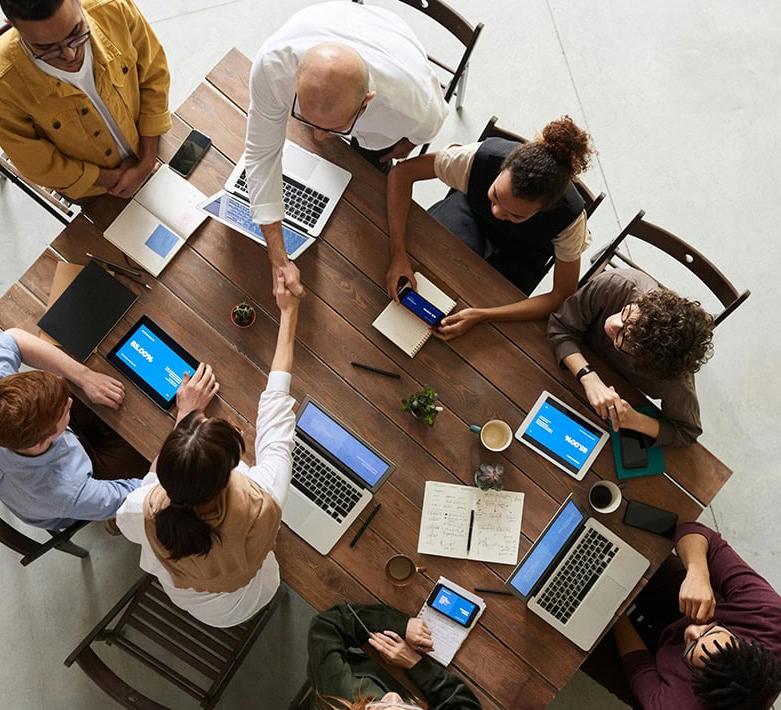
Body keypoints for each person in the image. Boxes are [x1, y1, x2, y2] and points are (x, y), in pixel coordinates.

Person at [117, 274, 300, 627]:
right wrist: (289, 313)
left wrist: (184, 415)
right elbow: (276, 409)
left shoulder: (142, 508)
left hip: (198, 605)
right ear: (228, 475)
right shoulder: (263, 497)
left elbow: (148, 488)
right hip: (250, 595)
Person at [245, 1, 448, 298]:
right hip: (335, 22)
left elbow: (424, 132)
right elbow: (261, 155)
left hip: (391, 46)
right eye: (306, 118)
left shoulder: (414, 108)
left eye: (333, 128)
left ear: (367, 101)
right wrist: (278, 255)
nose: (319, 137)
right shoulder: (271, 66)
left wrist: (401, 148)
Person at [386, 116, 594, 339]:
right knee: (427, 264)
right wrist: (398, 253)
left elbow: (562, 294)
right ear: (502, 168)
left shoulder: (569, 220)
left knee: (485, 315)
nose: (497, 212)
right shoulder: (478, 159)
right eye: (495, 196)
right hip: (470, 214)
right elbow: (401, 173)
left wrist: (482, 315)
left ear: (545, 209)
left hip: (525, 251)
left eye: (515, 214)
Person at [0, 0, 171, 201]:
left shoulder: (112, 7)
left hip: (152, 142)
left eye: (76, 33)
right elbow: (39, 165)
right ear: (11, 24)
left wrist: (146, 161)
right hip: (97, 190)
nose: (70, 55)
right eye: (47, 48)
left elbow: (154, 74)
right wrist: (114, 179)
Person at [584, 522, 781, 709]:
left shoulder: (675, 705)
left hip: (657, 680)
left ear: (695, 680)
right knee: (640, 551)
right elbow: (692, 530)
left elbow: (639, 666)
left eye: (693, 645)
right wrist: (697, 574)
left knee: (583, 640)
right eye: (711, 630)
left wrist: (613, 606)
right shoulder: (769, 614)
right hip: (698, 605)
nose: (693, 629)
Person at [0, 328, 148, 530]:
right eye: (64, 410)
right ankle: (114, 523)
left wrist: (84, 377)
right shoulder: (67, 493)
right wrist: (185, 419)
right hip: (69, 495)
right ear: (43, 441)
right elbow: (145, 496)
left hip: (25, 472)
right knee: (152, 455)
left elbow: (12, 337)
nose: (69, 401)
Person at [546, 268, 714, 446]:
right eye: (627, 315)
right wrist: (589, 378)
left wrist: (634, 420)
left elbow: (686, 432)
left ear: (645, 362)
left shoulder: (674, 378)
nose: (614, 323)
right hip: (563, 366)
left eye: (625, 338)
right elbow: (560, 326)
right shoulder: (617, 284)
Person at [307, 603, 482, 709]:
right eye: (408, 709)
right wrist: (415, 663)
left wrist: (399, 625)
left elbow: (326, 627)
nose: (393, 696)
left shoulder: (338, 693)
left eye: (379, 708)